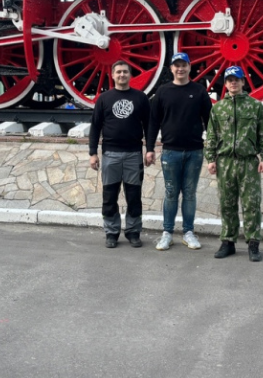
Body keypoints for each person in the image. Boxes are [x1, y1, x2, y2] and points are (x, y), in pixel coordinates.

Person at [204, 66, 263, 262]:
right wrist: (210, 159)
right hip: (225, 161)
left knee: (251, 204)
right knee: (227, 204)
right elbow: (211, 135)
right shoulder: (218, 108)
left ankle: (253, 243)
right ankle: (228, 242)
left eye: (237, 79)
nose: (233, 83)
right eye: (229, 80)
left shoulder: (255, 106)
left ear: (243, 82)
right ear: (225, 84)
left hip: (248, 162)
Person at [145, 52, 212, 251]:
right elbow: (153, 122)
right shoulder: (163, 91)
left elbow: (210, 122)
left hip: (195, 151)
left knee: (190, 193)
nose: (180, 69)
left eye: (184, 65)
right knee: (171, 193)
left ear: (190, 67)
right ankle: (167, 232)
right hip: (170, 151)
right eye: (176, 65)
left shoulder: (199, 91)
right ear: (171, 69)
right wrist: (149, 148)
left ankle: (188, 232)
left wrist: (214, 151)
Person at [89, 60, 151, 249]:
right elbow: (95, 126)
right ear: (113, 75)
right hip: (110, 154)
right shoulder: (104, 99)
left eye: (125, 72)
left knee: (133, 196)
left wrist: (149, 149)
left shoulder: (140, 97)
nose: (122, 75)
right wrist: (93, 153)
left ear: (130, 75)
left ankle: (133, 232)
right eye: (118, 72)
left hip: (134, 154)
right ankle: (111, 232)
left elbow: (148, 125)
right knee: (109, 196)